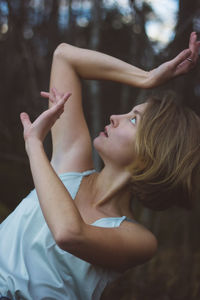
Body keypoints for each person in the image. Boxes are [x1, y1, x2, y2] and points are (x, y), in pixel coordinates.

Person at [0, 32, 199, 300]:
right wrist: (147, 77)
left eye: (133, 120)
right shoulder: (72, 163)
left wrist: (34, 144)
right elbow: (64, 56)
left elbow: (69, 234)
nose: (116, 117)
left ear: (155, 152)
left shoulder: (139, 240)